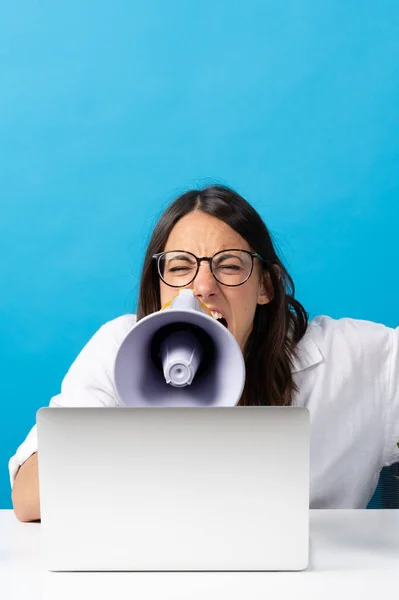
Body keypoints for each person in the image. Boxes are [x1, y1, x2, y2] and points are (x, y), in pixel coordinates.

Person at [10, 185, 399, 521]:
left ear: (265, 287)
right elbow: (28, 496)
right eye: (180, 267)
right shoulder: (119, 348)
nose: (203, 287)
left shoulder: (351, 359)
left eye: (229, 266)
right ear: (158, 285)